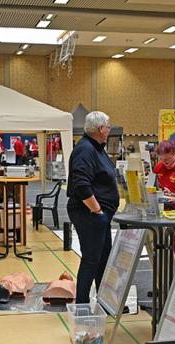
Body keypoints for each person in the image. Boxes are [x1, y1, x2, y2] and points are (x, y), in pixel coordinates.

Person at [66, 111, 119, 303]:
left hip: (98, 216)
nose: (109, 131)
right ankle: (82, 304)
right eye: (108, 127)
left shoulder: (96, 148)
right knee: (91, 259)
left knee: (103, 259)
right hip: (89, 214)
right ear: (100, 129)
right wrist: (97, 211)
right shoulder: (86, 149)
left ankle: (104, 301)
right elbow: (81, 185)